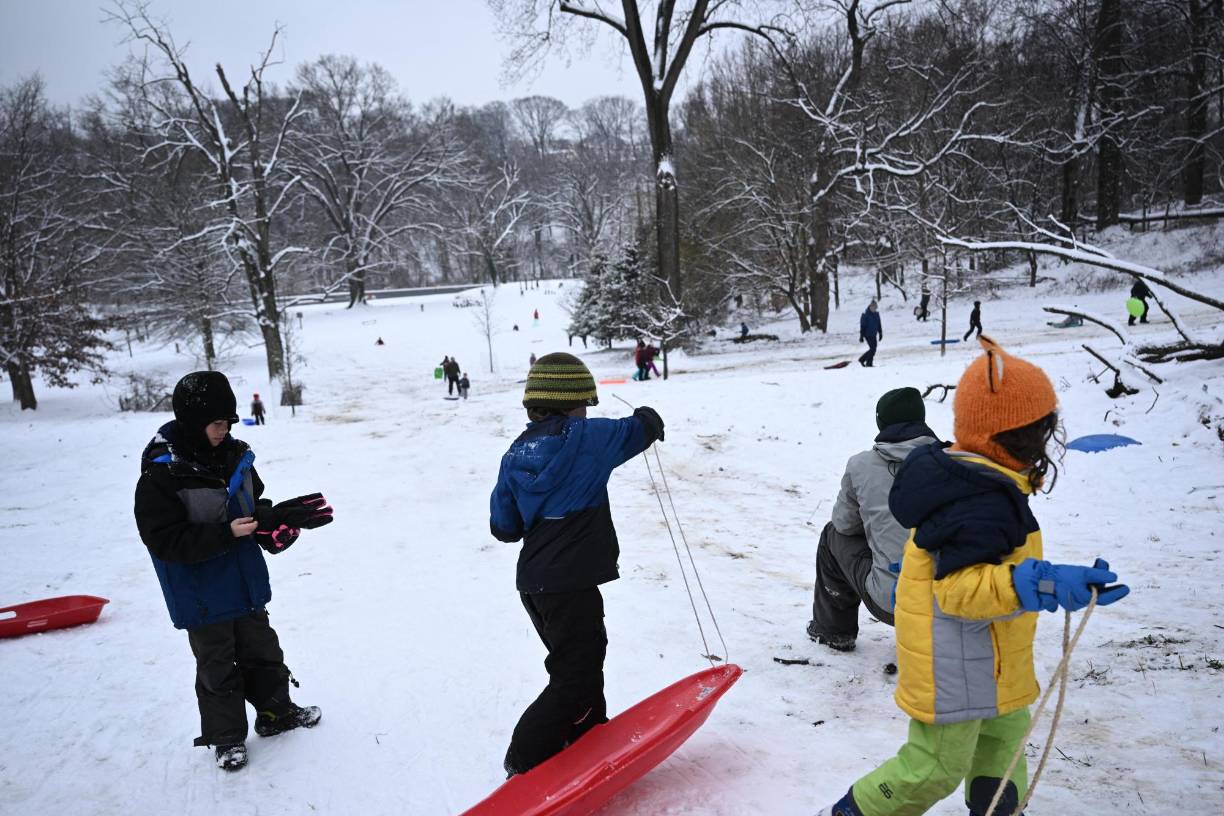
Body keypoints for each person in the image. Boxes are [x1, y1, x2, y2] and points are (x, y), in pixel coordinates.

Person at [816, 336, 1130, 816]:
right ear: (1009, 435)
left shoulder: (986, 482)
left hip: (995, 655)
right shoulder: (977, 497)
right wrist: (1042, 583)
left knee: (1004, 745)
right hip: (953, 665)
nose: (1046, 445)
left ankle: (998, 810)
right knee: (934, 766)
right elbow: (960, 591)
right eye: (1039, 433)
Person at [133, 371, 334, 772]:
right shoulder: (163, 475)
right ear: (193, 423)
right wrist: (224, 535)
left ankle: (276, 714)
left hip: (243, 583)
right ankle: (226, 739)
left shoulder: (236, 455)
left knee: (264, 651)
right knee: (217, 667)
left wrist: (273, 520)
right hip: (202, 594)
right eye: (216, 423)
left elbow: (251, 506)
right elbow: (163, 540)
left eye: (227, 421)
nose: (224, 430)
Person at [489, 353, 665, 776]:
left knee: (581, 662)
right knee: (575, 675)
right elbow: (638, 431)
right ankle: (524, 760)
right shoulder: (588, 437)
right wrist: (648, 417)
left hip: (534, 582)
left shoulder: (516, 452)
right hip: (570, 581)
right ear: (574, 402)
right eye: (585, 403)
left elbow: (504, 526)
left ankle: (588, 733)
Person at [807, 388, 940, 652]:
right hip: (957, 602)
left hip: (895, 603)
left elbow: (844, 525)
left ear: (881, 423)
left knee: (831, 535)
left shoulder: (862, 465)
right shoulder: (954, 461)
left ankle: (834, 631)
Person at [858, 301, 882, 367]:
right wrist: (861, 336)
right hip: (867, 334)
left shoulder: (877, 314)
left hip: (874, 334)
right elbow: (862, 326)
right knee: (872, 349)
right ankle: (863, 360)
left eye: (875, 308)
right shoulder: (865, 315)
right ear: (870, 307)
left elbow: (879, 324)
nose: (874, 309)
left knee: (873, 349)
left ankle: (868, 363)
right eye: (873, 307)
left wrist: (880, 333)